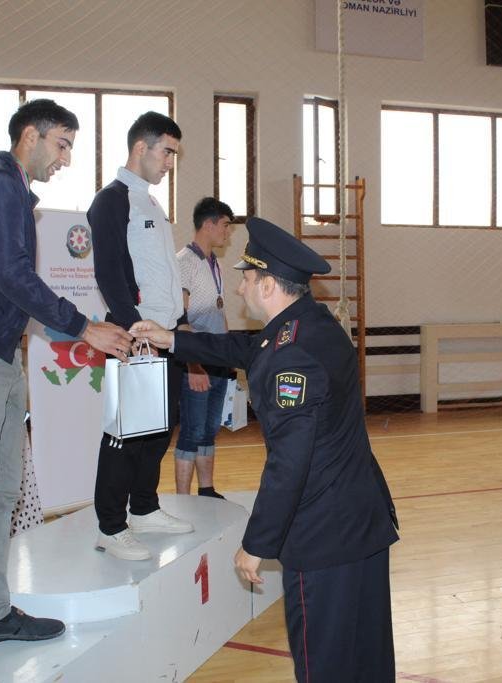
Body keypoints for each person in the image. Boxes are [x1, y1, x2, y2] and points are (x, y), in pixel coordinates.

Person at [132, 217, 399, 682]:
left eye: (247, 279)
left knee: (325, 665)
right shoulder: (312, 325)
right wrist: (171, 338)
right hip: (362, 523)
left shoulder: (290, 355)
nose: (240, 289)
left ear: (269, 285)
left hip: (323, 537)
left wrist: (256, 544)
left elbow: (290, 461)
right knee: (368, 659)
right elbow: (244, 348)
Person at [0, 99, 133, 682]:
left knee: (1, 495)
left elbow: (9, 283)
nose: (66, 159)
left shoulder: (13, 194)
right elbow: (12, 276)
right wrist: (83, 326)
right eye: (62, 144)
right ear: (29, 137)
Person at [88, 111, 192, 561]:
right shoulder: (112, 201)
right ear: (140, 147)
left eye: (174, 154)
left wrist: (177, 325)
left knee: (159, 428)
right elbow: (110, 272)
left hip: (163, 336)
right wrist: (133, 330)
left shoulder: (150, 203)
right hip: (135, 335)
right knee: (125, 433)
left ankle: (145, 508)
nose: (170, 162)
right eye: (167, 152)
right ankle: (111, 527)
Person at [174, 197, 235, 498]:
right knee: (193, 430)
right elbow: (179, 316)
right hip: (196, 362)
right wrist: (193, 365)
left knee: (210, 429)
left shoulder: (214, 262)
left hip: (218, 359)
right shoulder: (184, 261)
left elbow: (218, 311)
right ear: (208, 224)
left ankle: (207, 490)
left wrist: (229, 355)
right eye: (225, 225)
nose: (227, 232)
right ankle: (183, 500)